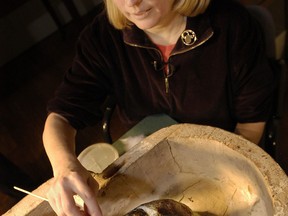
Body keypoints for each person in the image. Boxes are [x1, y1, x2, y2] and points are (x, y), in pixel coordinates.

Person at [43, 0, 275, 215]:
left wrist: (216, 179)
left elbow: (251, 124)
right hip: (148, 158)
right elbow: (62, 115)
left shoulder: (231, 26)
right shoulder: (102, 37)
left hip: (221, 159)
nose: (131, 3)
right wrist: (64, 165)